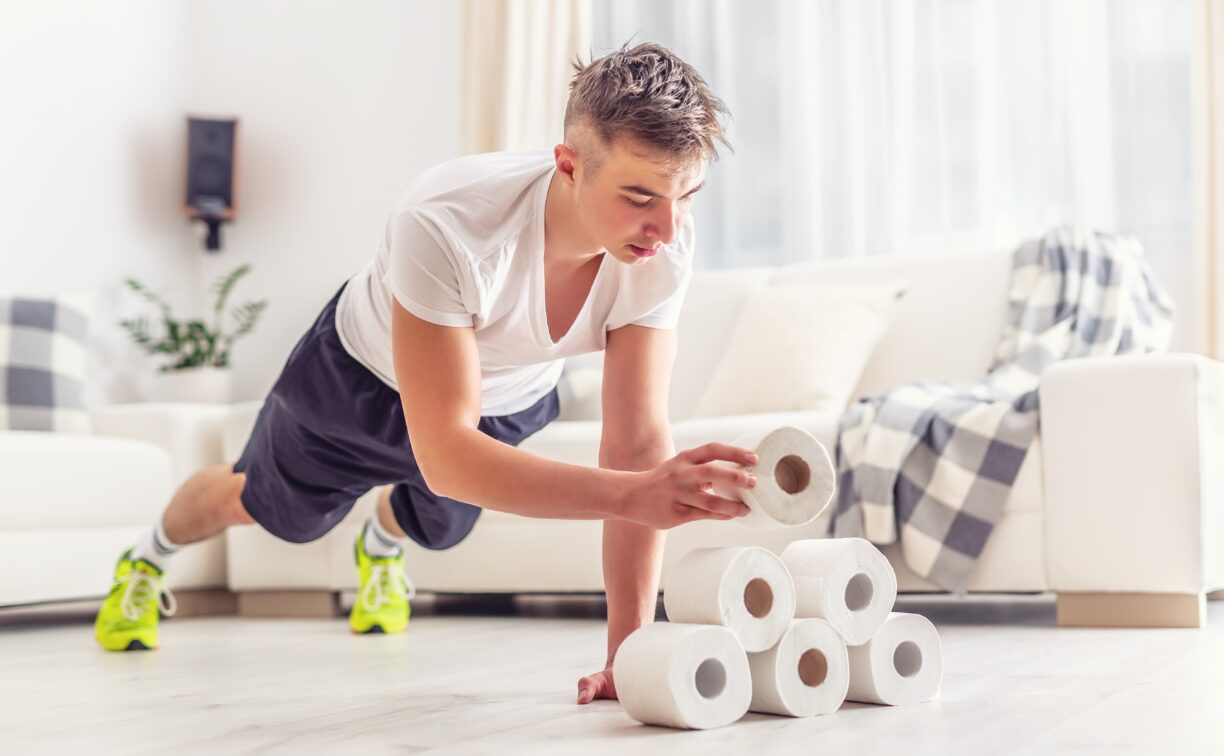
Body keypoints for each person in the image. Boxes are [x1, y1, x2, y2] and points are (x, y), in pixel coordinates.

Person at [94, 41, 759, 706]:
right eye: (640, 196)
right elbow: (448, 453)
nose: (668, 229)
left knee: (439, 526)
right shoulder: (449, 221)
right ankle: (146, 560)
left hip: (501, 401)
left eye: (687, 196)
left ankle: (383, 538)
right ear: (569, 165)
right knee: (279, 516)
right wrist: (630, 493)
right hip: (358, 385)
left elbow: (637, 448)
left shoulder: (664, 238)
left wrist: (626, 661)